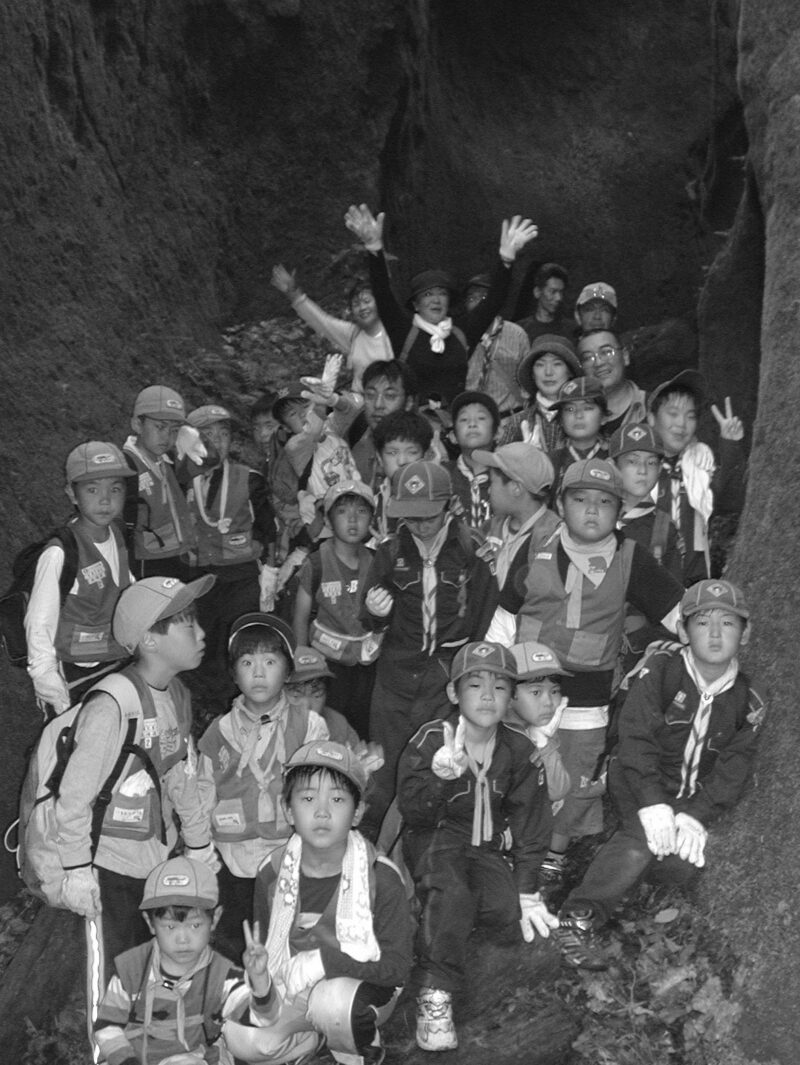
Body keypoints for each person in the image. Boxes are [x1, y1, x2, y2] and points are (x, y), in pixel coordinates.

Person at [486, 458, 684, 895]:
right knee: (519, 766)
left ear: (620, 511)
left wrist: (697, 638)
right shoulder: (536, 545)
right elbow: (505, 614)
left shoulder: (630, 558)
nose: (592, 510)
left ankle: (553, 857)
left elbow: (675, 610)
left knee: (577, 776)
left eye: (604, 502)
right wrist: (491, 674)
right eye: (580, 500)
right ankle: (510, 848)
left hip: (587, 694)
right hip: (525, 690)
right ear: (561, 504)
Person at [554, 580, 765, 970]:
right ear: (683, 630)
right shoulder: (661, 670)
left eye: (728, 623)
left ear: (746, 632)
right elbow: (635, 738)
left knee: (681, 866)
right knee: (640, 839)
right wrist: (652, 803)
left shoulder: (747, 701)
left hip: (687, 795)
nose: (715, 634)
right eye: (702, 622)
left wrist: (696, 815)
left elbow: (734, 769)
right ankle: (579, 916)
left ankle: (628, 878)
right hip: (636, 777)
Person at [55, 575, 217, 1009]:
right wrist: (76, 869)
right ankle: (105, 1043)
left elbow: (181, 775)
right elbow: (74, 795)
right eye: (188, 625)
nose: (202, 634)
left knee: (148, 970)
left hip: (156, 864)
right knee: (110, 976)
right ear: (149, 640)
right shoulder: (113, 705)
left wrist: (198, 843)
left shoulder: (176, 696)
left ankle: (144, 1039)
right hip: (108, 868)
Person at [397, 642, 556, 1051]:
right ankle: (434, 993)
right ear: (454, 692)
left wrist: (527, 887)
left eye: (500, 687)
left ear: (511, 697)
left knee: (504, 911)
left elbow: (532, 821)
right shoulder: (432, 738)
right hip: (435, 834)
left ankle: (437, 924)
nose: (487, 696)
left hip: (482, 845)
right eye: (474, 685)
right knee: (452, 893)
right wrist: (440, 779)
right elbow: (412, 811)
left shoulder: (518, 749)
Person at [247, 741, 413, 1065]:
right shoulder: (273, 872)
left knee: (332, 1003)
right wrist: (259, 975)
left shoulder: (380, 877)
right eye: (308, 798)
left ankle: (356, 1051)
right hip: (294, 986)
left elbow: (396, 970)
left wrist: (325, 962)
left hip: (361, 989)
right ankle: (311, 1044)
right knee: (244, 1040)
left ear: (358, 812)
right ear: (288, 810)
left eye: (337, 799)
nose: (322, 812)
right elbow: (267, 950)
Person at [358, 461, 496, 840]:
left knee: (439, 758)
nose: (419, 525)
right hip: (396, 674)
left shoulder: (471, 550)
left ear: (449, 506)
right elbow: (369, 619)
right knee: (385, 765)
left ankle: (428, 839)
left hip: (445, 677)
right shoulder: (390, 551)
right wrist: (375, 613)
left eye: (428, 516)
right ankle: (373, 840)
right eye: (410, 516)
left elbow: (485, 613)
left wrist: (468, 670)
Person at [197, 613, 328, 959]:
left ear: (288, 671)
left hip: (290, 855)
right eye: (247, 662)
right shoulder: (218, 733)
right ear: (233, 673)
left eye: (270, 662)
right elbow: (203, 794)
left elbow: (321, 793)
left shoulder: (309, 726)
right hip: (232, 858)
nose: (258, 673)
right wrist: (200, 850)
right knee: (234, 944)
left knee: (288, 942)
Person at [344, 203, 538, 404]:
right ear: (416, 304)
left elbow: (494, 301)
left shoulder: (462, 332)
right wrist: (374, 249)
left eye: (442, 294)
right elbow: (382, 293)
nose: (436, 300)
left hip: (454, 419)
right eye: (427, 294)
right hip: (412, 419)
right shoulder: (404, 331)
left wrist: (506, 260)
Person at [94, 855, 275, 1064]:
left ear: (215, 919)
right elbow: (107, 1027)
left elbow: (263, 1019)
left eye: (195, 925)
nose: (182, 939)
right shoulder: (131, 969)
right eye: (170, 926)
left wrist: (260, 978)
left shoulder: (222, 977)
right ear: (150, 923)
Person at [25, 441, 135, 716]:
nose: (105, 500)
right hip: (74, 671)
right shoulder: (62, 552)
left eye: (115, 489)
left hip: (115, 660)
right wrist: (44, 674)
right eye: (92, 489)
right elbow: (40, 619)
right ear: (72, 494)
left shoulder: (118, 533)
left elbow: (125, 582)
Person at [185, 403, 277, 688]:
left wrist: (270, 575)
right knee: (201, 642)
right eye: (207, 435)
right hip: (198, 576)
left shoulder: (249, 479)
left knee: (238, 642)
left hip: (241, 576)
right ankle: (203, 699)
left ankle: (236, 694)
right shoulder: (178, 481)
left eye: (223, 434)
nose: (217, 441)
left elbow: (268, 532)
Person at [293, 480, 380, 739]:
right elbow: (300, 616)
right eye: (342, 512)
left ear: (372, 519)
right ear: (329, 521)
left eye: (361, 512)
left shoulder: (376, 562)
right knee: (328, 724)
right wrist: (303, 664)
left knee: (363, 723)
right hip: (327, 662)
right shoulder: (316, 563)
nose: (352, 520)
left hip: (366, 661)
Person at [647, 370, 746, 586]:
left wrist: (730, 445)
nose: (681, 424)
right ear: (652, 418)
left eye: (690, 416)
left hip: (695, 586)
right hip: (646, 586)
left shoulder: (699, 466)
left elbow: (732, 501)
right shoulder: (637, 468)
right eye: (673, 413)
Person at [271, 266, 395, 392]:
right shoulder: (354, 334)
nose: (362, 308)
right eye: (356, 304)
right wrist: (293, 293)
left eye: (367, 301)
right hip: (361, 399)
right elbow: (322, 322)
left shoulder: (396, 332)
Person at [122, 385, 198, 581]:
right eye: (160, 427)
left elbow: (211, 461)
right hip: (146, 565)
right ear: (137, 424)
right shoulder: (125, 468)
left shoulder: (170, 460)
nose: (167, 437)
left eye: (174, 430)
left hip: (180, 559)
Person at [470, 442, 560, 601]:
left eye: (492, 482)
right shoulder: (487, 530)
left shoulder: (553, 537)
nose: (489, 490)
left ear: (516, 488)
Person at [507, 641, 572, 812]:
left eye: (554, 691)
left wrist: (543, 742)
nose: (549, 702)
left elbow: (559, 790)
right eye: (536, 692)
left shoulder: (537, 728)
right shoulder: (496, 736)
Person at [497, 334, 582, 453]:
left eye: (557, 364)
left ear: (570, 371)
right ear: (532, 373)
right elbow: (498, 461)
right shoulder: (519, 422)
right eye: (540, 365)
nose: (548, 372)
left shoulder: (583, 416)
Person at [462, 273, 529, 418]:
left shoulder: (517, 334)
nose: (479, 303)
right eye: (472, 298)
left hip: (510, 418)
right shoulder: (459, 336)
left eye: (484, 298)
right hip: (472, 419)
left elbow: (528, 381)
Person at [370, 409, 435, 541]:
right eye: (392, 453)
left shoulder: (439, 500)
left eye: (411, 452)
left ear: (426, 456)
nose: (402, 461)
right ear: (380, 458)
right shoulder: (372, 505)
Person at [443, 390, 500, 536]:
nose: (472, 424)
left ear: (497, 432)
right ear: (453, 436)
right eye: (464, 420)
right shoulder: (443, 476)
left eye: (481, 418)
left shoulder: (507, 475)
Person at [547, 376, 610, 504]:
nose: (578, 415)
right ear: (561, 420)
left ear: (604, 417)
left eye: (588, 408)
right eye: (570, 409)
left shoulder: (614, 459)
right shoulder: (549, 463)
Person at [285, 646, 361, 748]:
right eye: (296, 695)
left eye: (317, 695)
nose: (307, 705)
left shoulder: (338, 725)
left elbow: (356, 754)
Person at [576, 329, 647, 436]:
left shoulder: (653, 406)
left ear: (625, 356)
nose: (598, 363)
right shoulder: (576, 419)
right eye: (588, 358)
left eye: (606, 352)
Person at [515, 262, 572, 342]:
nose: (559, 298)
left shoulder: (571, 330)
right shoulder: (520, 331)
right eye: (553, 291)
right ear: (537, 292)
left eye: (561, 292)